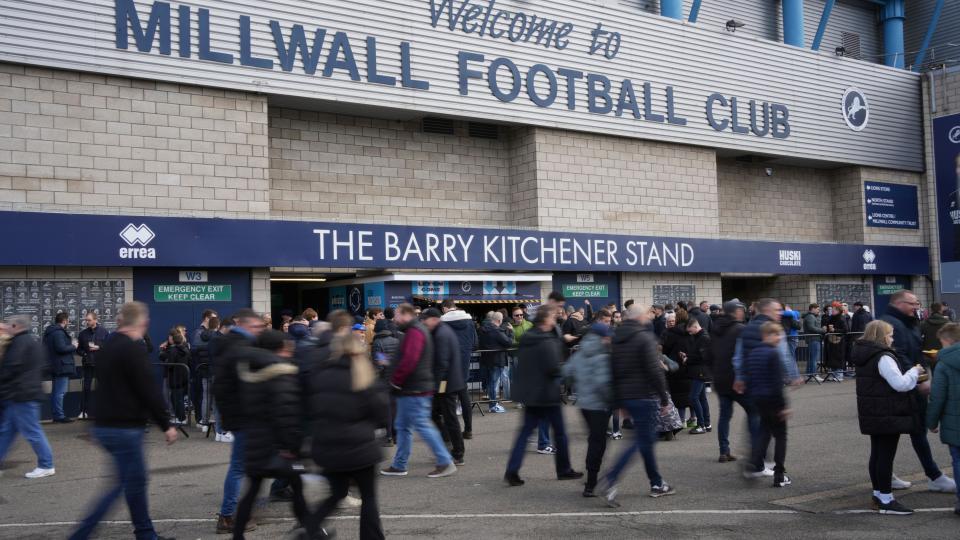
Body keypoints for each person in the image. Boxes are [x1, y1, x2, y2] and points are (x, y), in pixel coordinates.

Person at [69, 302, 178, 540]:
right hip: (125, 428)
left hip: (107, 426)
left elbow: (103, 386)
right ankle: (80, 535)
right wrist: (166, 424)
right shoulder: (132, 348)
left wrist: (94, 422)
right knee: (124, 484)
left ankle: (146, 533)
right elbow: (147, 389)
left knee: (134, 482)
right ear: (143, 323)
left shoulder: (108, 346)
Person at [307, 310, 388, 540]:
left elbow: (313, 407)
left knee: (335, 494)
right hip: (360, 447)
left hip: (328, 448)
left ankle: (309, 528)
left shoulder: (321, 374)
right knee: (369, 498)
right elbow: (381, 411)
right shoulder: (363, 374)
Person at [232, 330, 306, 539]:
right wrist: (292, 445)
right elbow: (286, 412)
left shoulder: (248, 372)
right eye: (286, 347)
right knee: (298, 486)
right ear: (278, 349)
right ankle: (309, 528)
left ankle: (237, 535)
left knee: (252, 490)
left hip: (255, 441)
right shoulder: (281, 373)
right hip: (278, 444)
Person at [880, 290, 956, 494]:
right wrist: (919, 380)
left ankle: (888, 474)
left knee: (914, 430)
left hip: (911, 382)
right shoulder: (891, 323)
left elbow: (915, 351)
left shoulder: (909, 322)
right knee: (899, 433)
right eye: (913, 303)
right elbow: (899, 355)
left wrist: (924, 372)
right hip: (900, 387)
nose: (917, 307)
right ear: (898, 303)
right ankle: (932, 476)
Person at [601, 304, 674, 507]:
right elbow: (654, 369)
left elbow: (613, 371)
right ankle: (611, 478)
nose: (648, 317)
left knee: (645, 441)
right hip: (645, 396)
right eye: (645, 315)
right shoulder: (644, 338)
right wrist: (664, 398)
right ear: (639, 318)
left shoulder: (617, 339)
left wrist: (618, 401)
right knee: (641, 441)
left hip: (627, 396)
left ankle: (657, 483)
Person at [504, 304, 582, 486]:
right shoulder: (546, 341)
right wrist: (569, 371)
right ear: (546, 320)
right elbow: (553, 369)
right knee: (561, 433)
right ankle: (564, 469)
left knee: (524, 434)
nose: (555, 320)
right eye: (553, 318)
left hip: (531, 394)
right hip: (547, 394)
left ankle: (512, 470)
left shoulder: (527, 337)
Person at [851, 320, 923, 515]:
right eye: (890, 335)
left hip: (874, 410)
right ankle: (886, 498)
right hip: (887, 411)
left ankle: (878, 494)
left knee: (877, 454)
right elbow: (900, 384)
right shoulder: (883, 356)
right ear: (882, 336)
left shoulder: (864, 354)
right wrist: (914, 372)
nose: (892, 338)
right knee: (885, 457)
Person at [380, 304, 456, 478]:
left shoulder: (415, 332)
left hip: (414, 388)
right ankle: (399, 465)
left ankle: (444, 461)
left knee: (419, 425)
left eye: (397, 315)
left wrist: (396, 382)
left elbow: (410, 360)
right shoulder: (417, 330)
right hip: (414, 388)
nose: (395, 319)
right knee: (404, 426)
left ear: (406, 315)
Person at [213, 309, 268, 534]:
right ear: (245, 324)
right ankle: (228, 515)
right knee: (239, 466)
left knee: (246, 464)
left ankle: (243, 508)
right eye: (257, 326)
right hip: (245, 416)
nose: (259, 330)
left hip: (238, 415)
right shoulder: (241, 347)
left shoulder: (229, 342)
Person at [0, 315, 55, 479]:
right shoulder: (34, 342)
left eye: (9, 326)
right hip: (25, 393)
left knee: (32, 432)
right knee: (7, 431)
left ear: (16, 326)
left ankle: (46, 465)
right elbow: (44, 367)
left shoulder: (18, 343)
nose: (7, 328)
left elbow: (11, 367)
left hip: (21, 395)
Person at [563, 320, 613, 497]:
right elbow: (603, 384)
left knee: (594, 440)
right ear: (601, 337)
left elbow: (566, 373)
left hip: (584, 404)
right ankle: (591, 483)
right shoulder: (602, 356)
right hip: (600, 406)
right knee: (598, 444)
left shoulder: (580, 353)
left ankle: (591, 479)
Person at [744, 322, 792, 488]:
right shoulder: (773, 354)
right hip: (773, 399)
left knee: (764, 432)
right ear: (767, 335)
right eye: (776, 334)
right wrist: (784, 405)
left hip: (758, 399)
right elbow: (777, 382)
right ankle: (779, 474)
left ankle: (753, 463)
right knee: (780, 436)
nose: (779, 338)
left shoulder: (753, 353)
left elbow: (749, 377)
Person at [422, 308, 466, 466]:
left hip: (446, 383)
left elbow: (442, 363)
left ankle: (458, 452)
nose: (424, 323)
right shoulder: (442, 330)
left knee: (449, 418)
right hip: (446, 382)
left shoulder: (441, 334)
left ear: (434, 319)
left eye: (425, 320)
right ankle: (447, 442)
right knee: (436, 414)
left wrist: (434, 387)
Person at [711, 300, 750, 463]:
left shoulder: (715, 329)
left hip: (720, 379)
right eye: (740, 310)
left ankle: (724, 451)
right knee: (754, 412)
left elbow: (709, 354)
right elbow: (745, 355)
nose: (742, 312)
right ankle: (755, 451)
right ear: (734, 312)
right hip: (736, 380)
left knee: (724, 416)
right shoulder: (740, 329)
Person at [927, 323, 960, 516]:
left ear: (946, 340)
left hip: (954, 421)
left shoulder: (944, 363)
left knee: (958, 458)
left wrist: (931, 422)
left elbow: (937, 396)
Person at [441, 306, 476, 439]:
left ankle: (447, 431)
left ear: (445, 309)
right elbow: (474, 343)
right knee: (464, 397)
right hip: (463, 366)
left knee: (445, 400)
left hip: (447, 370)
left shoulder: (443, 323)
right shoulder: (469, 322)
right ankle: (468, 430)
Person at [371, 318, 401, 446]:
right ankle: (396, 436)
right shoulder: (396, 341)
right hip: (397, 379)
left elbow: (380, 365)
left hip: (385, 379)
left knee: (387, 409)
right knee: (395, 408)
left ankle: (388, 437)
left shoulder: (378, 343)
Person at [44, 312, 77, 423]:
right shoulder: (58, 333)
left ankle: (56, 414)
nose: (68, 322)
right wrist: (73, 346)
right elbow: (61, 348)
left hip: (55, 365)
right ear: (64, 321)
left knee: (56, 392)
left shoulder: (51, 331)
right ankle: (59, 415)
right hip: (61, 366)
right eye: (68, 320)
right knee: (60, 392)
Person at [662, 308, 693, 426]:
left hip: (675, 367)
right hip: (689, 366)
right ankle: (693, 419)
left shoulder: (671, 333)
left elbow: (666, 349)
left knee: (677, 395)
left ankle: (681, 420)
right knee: (690, 394)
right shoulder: (691, 331)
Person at [478, 311, 513, 414]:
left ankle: (492, 404)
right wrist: (511, 332)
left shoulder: (482, 329)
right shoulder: (497, 331)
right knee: (493, 384)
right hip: (497, 361)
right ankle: (493, 405)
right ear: (499, 320)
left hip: (486, 360)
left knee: (490, 384)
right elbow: (508, 343)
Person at [77, 311, 109, 420]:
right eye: (86, 320)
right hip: (88, 363)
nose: (87, 322)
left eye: (89, 320)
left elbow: (109, 346)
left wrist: (99, 348)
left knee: (104, 387)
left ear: (95, 320)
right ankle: (83, 411)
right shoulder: (83, 334)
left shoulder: (104, 332)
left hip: (101, 363)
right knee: (86, 388)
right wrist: (84, 353)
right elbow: (79, 349)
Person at [684, 318, 712, 435]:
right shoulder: (699, 337)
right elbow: (698, 354)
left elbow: (704, 357)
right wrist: (687, 355)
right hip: (699, 371)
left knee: (693, 397)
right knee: (701, 398)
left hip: (700, 372)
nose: (690, 333)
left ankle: (701, 425)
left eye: (691, 331)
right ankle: (707, 424)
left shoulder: (703, 338)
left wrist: (688, 359)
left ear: (696, 327)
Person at [158, 327, 190, 425]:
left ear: (173, 338)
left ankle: (181, 418)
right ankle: (181, 417)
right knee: (177, 397)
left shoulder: (173, 350)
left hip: (175, 377)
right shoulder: (184, 349)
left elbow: (170, 364)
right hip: (182, 377)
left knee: (176, 398)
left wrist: (165, 357)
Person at [802, 304, 826, 380]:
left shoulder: (811, 316)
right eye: (817, 309)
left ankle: (809, 374)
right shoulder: (810, 317)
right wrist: (823, 330)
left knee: (811, 358)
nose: (819, 310)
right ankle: (814, 375)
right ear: (812, 309)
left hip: (813, 339)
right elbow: (811, 328)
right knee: (814, 358)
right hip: (813, 339)